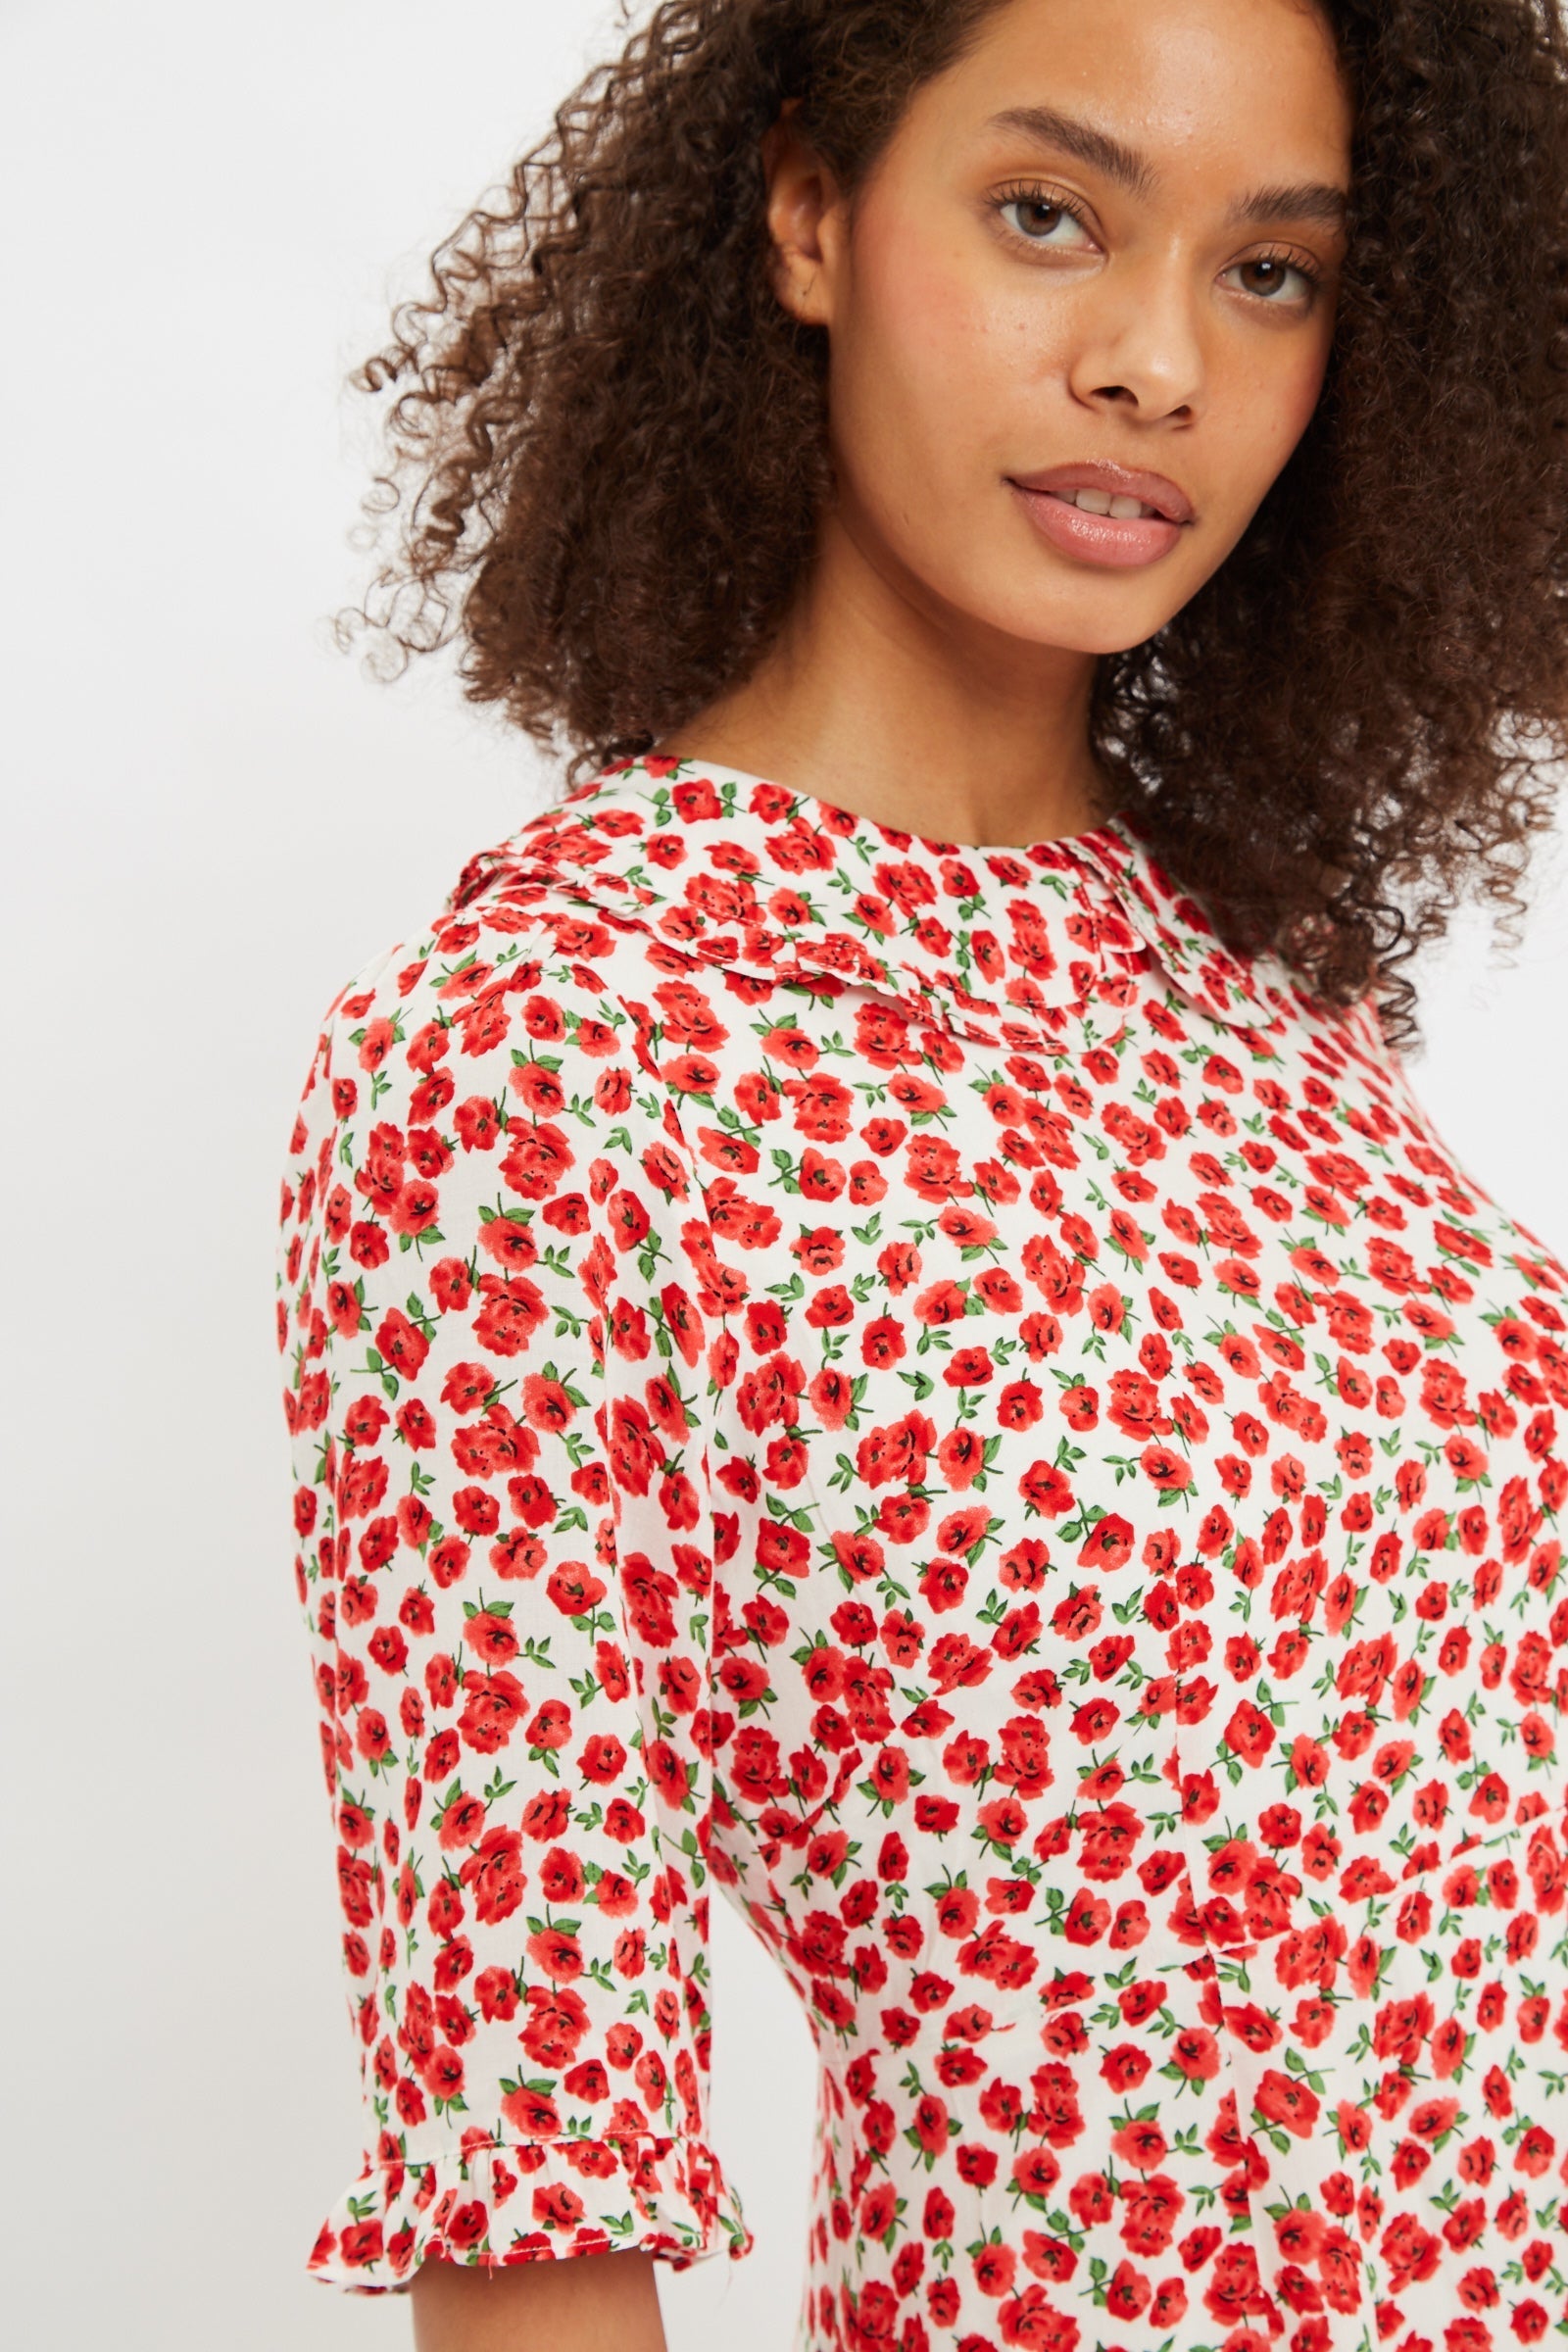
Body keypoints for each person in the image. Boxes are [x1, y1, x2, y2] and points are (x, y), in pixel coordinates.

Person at [275, 1, 1568, 2347]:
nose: (1154, 363)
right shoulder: (542, 1061)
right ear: (807, 216)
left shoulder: (1251, 977)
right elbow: (531, 2159)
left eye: (1267, 271)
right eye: (1047, 216)